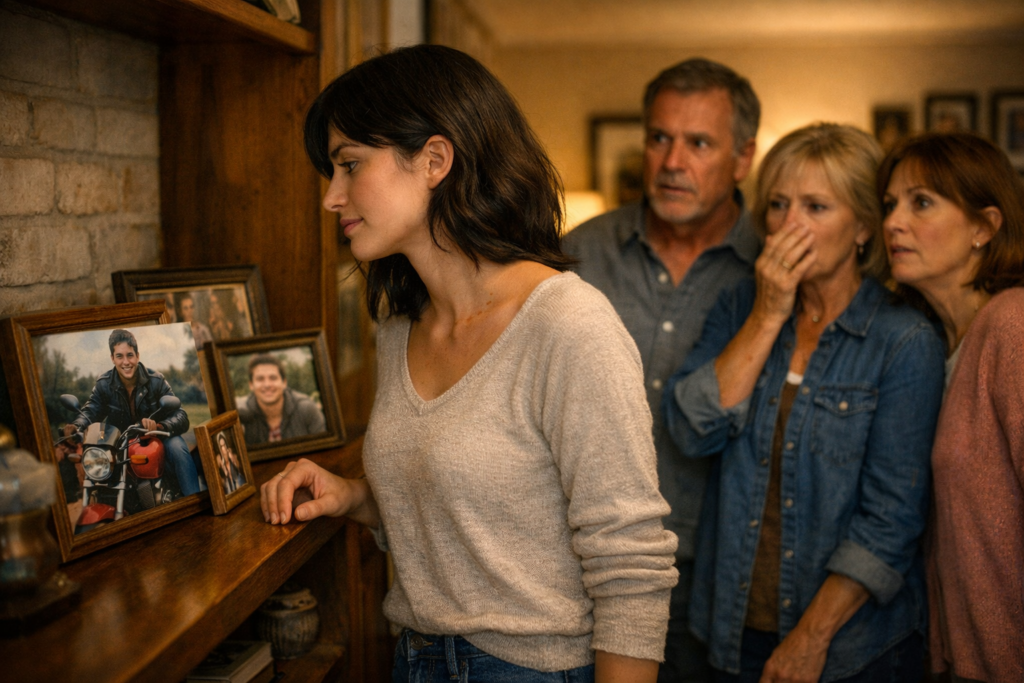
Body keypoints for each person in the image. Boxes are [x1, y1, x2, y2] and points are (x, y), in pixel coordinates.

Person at [261, 44, 679, 682]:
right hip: (415, 660)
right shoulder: (400, 330)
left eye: (349, 165)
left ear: (435, 160)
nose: (331, 197)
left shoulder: (568, 324)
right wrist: (354, 497)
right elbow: (478, 517)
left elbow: (630, 565)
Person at [663, 124, 945, 681]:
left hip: (852, 647)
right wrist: (769, 312)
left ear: (863, 226)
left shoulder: (903, 339)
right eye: (778, 205)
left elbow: (891, 520)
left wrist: (810, 639)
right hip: (729, 628)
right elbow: (693, 429)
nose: (788, 225)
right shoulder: (741, 303)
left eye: (815, 207)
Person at [562, 57, 760, 682]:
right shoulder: (575, 255)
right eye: (659, 138)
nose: (673, 161)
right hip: (581, 570)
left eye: (699, 143)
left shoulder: (771, 269)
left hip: (719, 578)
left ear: (743, 157)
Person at [878, 132, 1024, 683]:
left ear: (984, 227)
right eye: (890, 204)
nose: (893, 222)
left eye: (921, 202)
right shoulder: (932, 344)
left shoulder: (1012, 325)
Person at [64, 328, 202, 496]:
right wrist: (77, 426)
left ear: (137, 355)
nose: (126, 362)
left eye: (130, 355)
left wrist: (160, 426)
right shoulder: (104, 384)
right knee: (98, 470)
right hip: (119, 443)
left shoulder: (156, 381)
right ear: (112, 358)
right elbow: (91, 410)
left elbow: (181, 416)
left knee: (178, 448)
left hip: (155, 439)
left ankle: (195, 500)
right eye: (119, 356)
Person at [237, 354, 325, 446]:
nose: (267, 385)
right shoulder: (240, 418)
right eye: (260, 379)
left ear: (284, 382)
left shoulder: (307, 410)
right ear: (251, 385)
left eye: (273, 378)